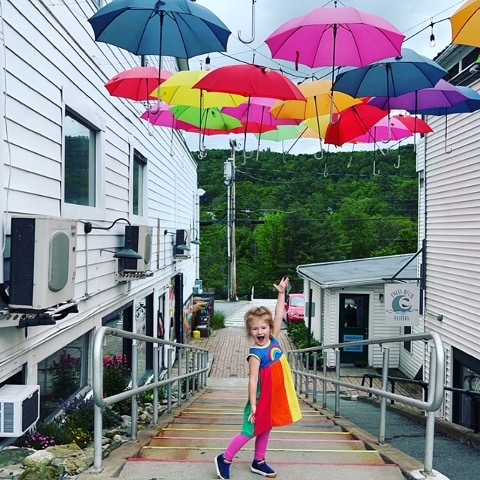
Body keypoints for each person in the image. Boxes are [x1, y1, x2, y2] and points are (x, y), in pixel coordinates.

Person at [214, 277, 302, 479]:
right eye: (255, 329)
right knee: (249, 430)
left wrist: (281, 293)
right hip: (260, 399)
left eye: (263, 327)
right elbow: (253, 381)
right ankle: (225, 459)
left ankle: (259, 461)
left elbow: (279, 314)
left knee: (266, 428)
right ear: (250, 331)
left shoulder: (273, 339)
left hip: (274, 397)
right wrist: (253, 405)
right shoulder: (255, 354)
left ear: (270, 328)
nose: (260, 332)